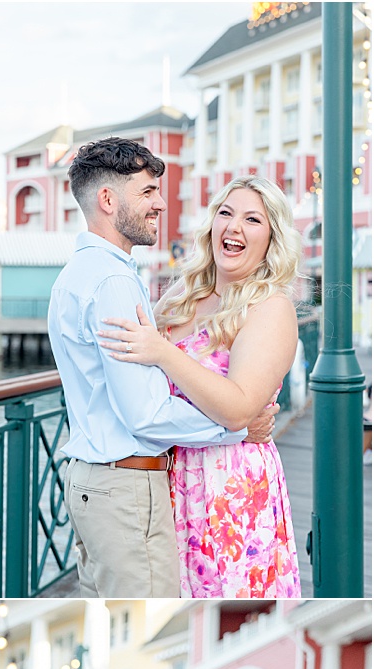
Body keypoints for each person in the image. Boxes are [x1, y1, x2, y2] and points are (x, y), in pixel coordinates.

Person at [47, 138, 274, 597]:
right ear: (109, 200)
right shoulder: (112, 281)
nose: (160, 204)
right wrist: (237, 430)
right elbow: (146, 414)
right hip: (126, 488)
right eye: (148, 191)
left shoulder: (78, 273)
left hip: (96, 480)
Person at [99, 176, 302, 599]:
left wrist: (162, 351)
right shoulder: (183, 295)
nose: (233, 227)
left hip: (229, 485)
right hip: (168, 475)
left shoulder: (271, 308)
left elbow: (238, 410)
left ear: (272, 238)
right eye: (226, 213)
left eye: (252, 219)